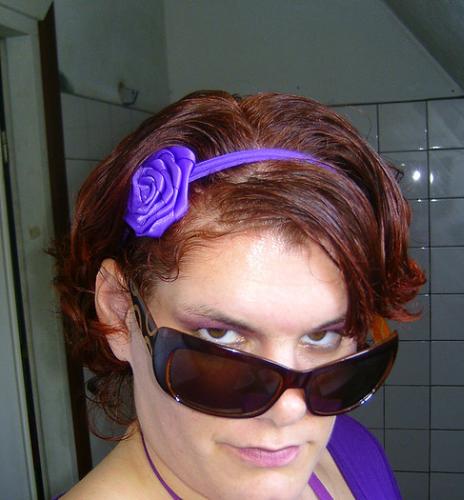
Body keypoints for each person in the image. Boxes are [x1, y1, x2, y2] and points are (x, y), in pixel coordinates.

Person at [53, 90, 425, 499]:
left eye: (322, 336)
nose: (289, 410)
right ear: (119, 310)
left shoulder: (352, 452)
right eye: (221, 336)